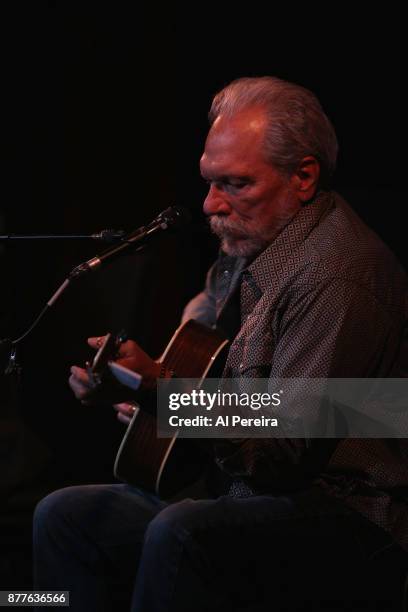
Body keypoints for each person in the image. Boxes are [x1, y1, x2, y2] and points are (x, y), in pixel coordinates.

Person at [33, 76, 408, 611]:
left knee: (181, 531)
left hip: (345, 513)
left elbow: (285, 445)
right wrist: (137, 380)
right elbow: (202, 323)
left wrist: (167, 397)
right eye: (209, 181)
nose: (210, 204)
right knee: (66, 515)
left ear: (303, 176)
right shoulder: (254, 241)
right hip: (244, 490)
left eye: (234, 183)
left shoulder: (337, 276)